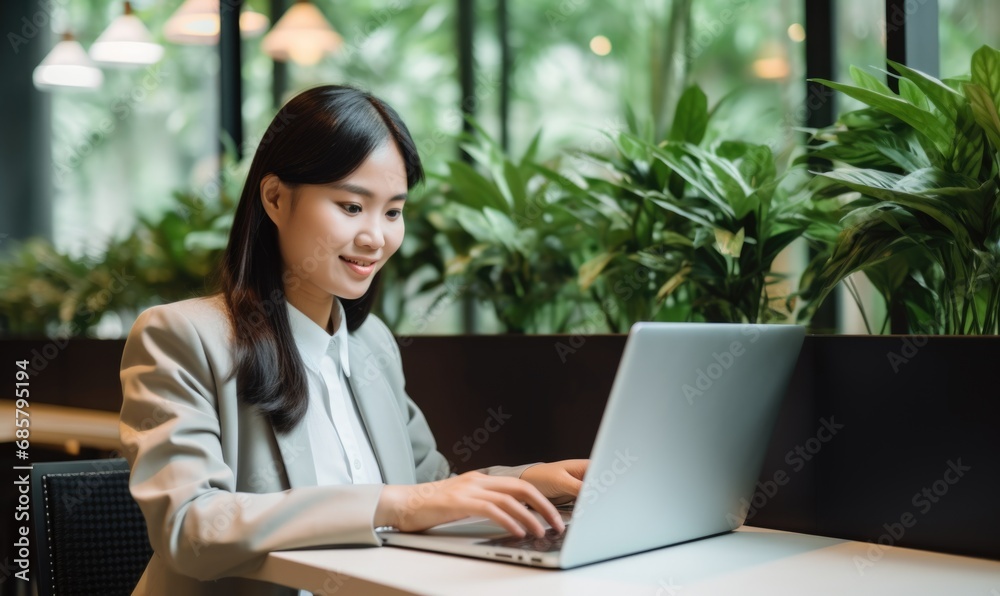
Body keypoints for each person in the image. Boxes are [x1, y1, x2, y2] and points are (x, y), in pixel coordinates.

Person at [118, 84, 587, 596]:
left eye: (392, 212)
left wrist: (528, 483)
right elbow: (191, 529)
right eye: (350, 206)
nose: (375, 237)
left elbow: (428, 485)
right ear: (275, 198)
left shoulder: (371, 345)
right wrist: (392, 506)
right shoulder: (182, 337)